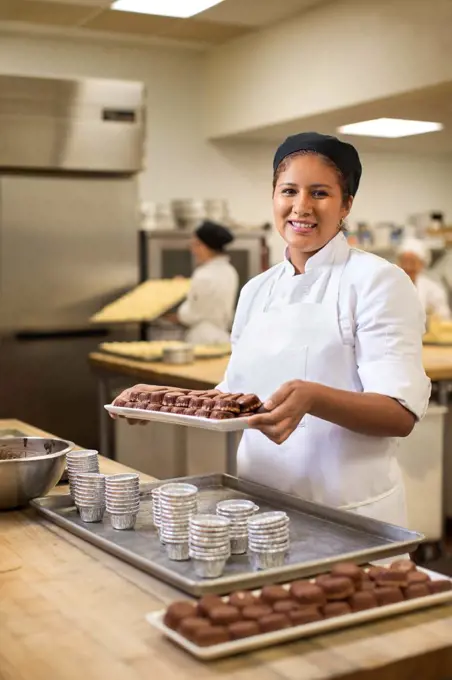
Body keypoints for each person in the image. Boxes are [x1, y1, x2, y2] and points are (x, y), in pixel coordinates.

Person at [115, 132, 431, 527]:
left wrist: (314, 398)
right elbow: (233, 398)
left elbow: (398, 414)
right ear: (274, 197)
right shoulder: (256, 290)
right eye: (289, 191)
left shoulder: (376, 281)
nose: (301, 207)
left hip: (345, 513)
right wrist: (160, 402)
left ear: (346, 204)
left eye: (320, 193)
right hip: (257, 503)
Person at [173, 220, 239, 344]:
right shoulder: (230, 271)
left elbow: (191, 314)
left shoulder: (203, 275)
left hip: (202, 339)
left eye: (194, 245)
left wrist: (175, 300)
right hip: (222, 337)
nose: (192, 250)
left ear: (203, 247)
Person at [397, 238, 451, 320]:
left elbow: (444, 318)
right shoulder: (389, 285)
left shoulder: (433, 289)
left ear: (422, 264)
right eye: (404, 261)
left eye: (412, 262)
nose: (407, 267)